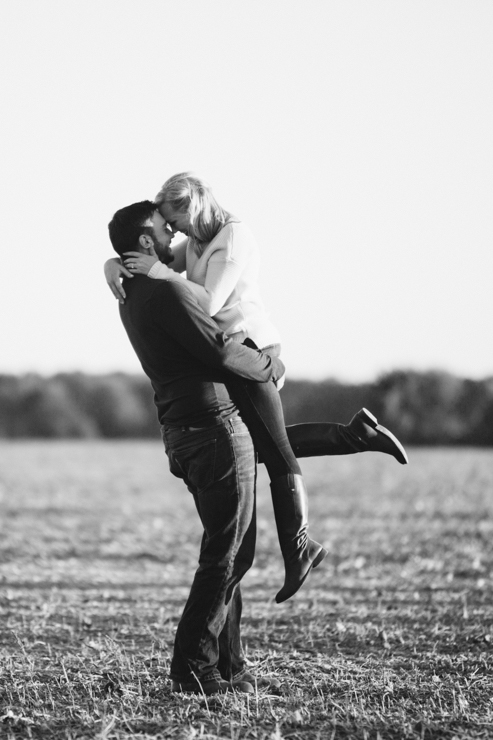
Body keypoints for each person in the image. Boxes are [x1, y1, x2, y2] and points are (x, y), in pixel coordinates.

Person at [105, 174, 408, 604]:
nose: (173, 232)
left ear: (191, 209)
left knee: (276, 452)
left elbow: (205, 303)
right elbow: (152, 257)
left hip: (252, 348)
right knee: (265, 444)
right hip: (229, 353)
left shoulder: (234, 237)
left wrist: (152, 267)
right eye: (167, 226)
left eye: (175, 222)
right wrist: (114, 263)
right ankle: (355, 437)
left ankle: (301, 548)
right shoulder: (194, 241)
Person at [108, 200, 287, 695]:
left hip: (182, 430)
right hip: (215, 430)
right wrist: (270, 366)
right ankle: (194, 668)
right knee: (227, 556)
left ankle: (230, 666)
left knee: (231, 550)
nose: (175, 237)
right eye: (166, 230)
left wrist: (110, 262)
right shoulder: (168, 291)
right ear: (146, 243)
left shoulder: (130, 292)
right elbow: (223, 352)